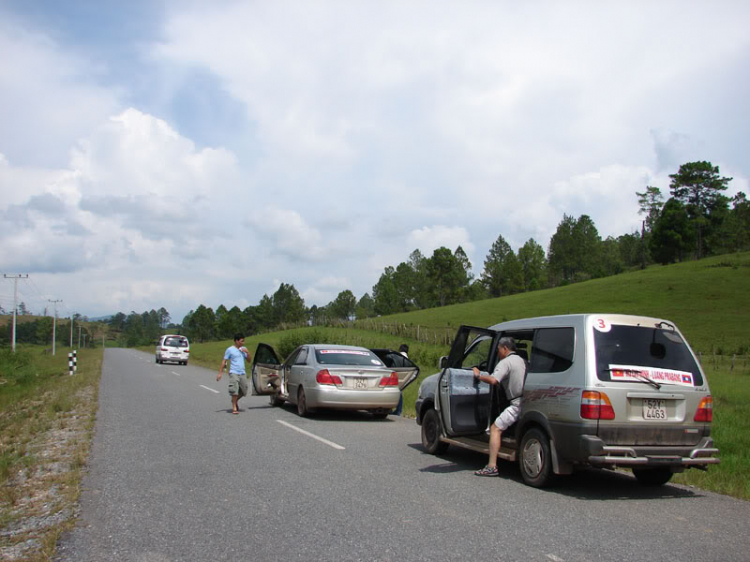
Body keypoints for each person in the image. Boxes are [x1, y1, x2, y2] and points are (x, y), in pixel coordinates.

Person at [472, 337, 526, 476]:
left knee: (495, 428)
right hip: (526, 401)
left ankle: (491, 466)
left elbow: (494, 380)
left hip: (516, 404)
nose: (498, 353)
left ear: (505, 348)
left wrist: (478, 376)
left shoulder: (505, 362)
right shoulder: (521, 360)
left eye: (498, 350)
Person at [217, 333, 251, 414]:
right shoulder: (230, 350)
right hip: (234, 372)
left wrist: (248, 352)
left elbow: (249, 361)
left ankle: (234, 400)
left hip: (242, 372)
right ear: (236, 341)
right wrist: (220, 373)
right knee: (234, 390)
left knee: (244, 391)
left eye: (243, 341)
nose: (243, 343)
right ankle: (234, 408)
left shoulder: (244, 349)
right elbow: (224, 361)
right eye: (241, 341)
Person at [391, 344, 410, 416]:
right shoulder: (407, 359)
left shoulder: (396, 356)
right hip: (404, 378)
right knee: (400, 392)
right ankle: (398, 410)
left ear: (400, 349)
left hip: (395, 376)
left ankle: (397, 410)